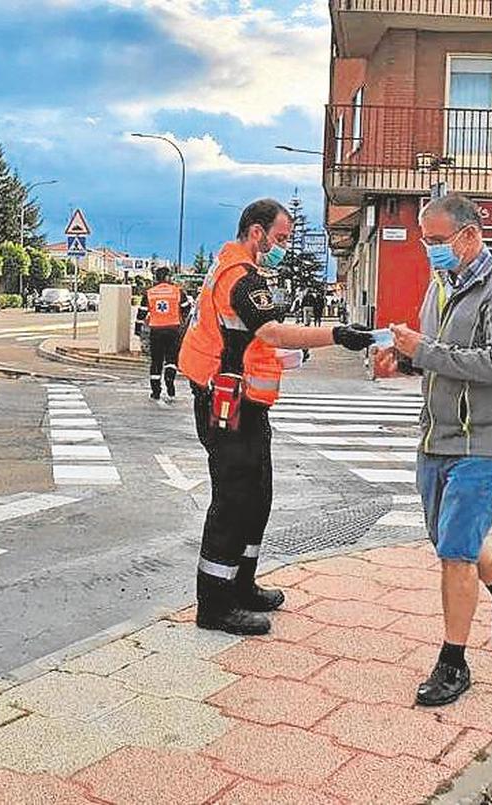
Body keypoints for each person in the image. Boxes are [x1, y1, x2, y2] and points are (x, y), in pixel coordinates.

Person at [178, 198, 374, 635]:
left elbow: (253, 344)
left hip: (244, 404)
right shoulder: (240, 278)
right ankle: (214, 605)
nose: (283, 246)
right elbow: (269, 331)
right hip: (227, 405)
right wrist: (337, 335)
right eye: (280, 238)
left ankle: (241, 586)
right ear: (256, 232)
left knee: (256, 498)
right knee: (233, 503)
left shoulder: (238, 271)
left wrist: (291, 357)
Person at [376, 192, 492, 707]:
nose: (431, 251)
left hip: (482, 439)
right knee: (449, 540)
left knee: (455, 552)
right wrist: (404, 363)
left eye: (439, 241)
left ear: (470, 235)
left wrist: (424, 351)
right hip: (436, 433)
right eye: (427, 242)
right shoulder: (442, 283)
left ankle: (453, 661)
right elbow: (439, 357)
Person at [144, 266, 191, 403]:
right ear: (167, 277)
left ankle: (155, 391)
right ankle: (170, 382)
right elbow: (186, 308)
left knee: (156, 361)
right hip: (173, 330)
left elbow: (141, 314)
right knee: (171, 359)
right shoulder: (177, 292)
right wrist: (181, 319)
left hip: (156, 331)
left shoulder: (149, 293)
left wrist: (138, 330)